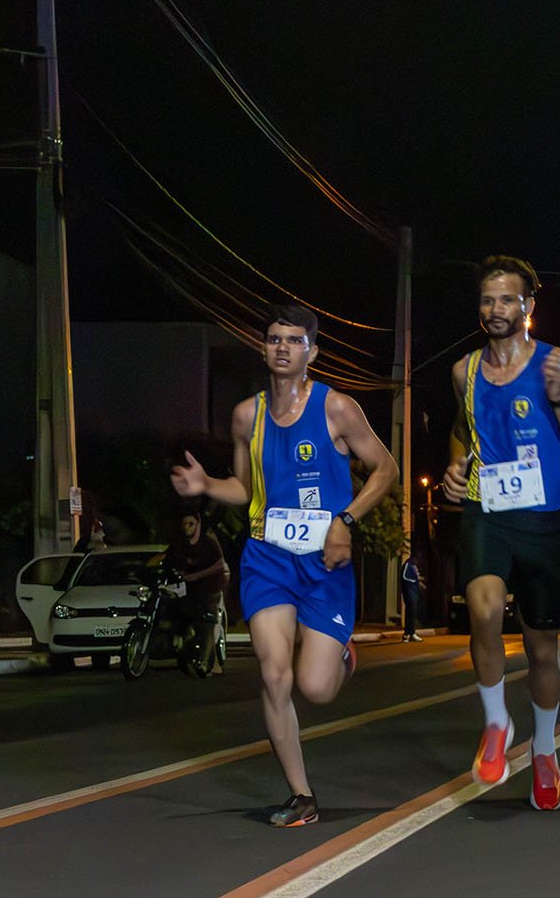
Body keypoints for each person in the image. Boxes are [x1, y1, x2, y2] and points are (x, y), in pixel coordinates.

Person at [171, 301, 398, 826]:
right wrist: (206, 485)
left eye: (295, 340)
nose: (283, 347)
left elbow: (385, 469)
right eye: (275, 338)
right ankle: (301, 796)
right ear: (263, 347)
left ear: (311, 353)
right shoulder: (246, 417)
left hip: (325, 562)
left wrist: (346, 520)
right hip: (268, 558)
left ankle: (340, 658)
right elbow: (246, 488)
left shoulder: (336, 408)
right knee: (275, 674)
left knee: (315, 687)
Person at [441, 256, 560, 810]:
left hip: (543, 520)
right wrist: (455, 467)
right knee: (482, 609)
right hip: (487, 511)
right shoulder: (463, 371)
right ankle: (495, 723)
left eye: (507, 299)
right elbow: (462, 432)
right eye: (488, 300)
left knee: (541, 649)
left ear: (528, 305)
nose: (496, 309)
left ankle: (546, 751)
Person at [163, 508, 229, 671]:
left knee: (207, 623)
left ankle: (205, 664)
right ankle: (198, 655)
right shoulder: (179, 543)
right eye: (185, 524)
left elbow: (220, 563)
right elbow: (168, 561)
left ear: (198, 524)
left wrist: (197, 575)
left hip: (211, 587)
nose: (187, 528)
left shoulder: (208, 541)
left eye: (191, 524)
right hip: (190, 589)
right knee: (185, 616)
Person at [400, 549, 423, 641]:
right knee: (410, 613)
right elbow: (405, 577)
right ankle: (407, 633)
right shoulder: (407, 565)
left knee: (412, 613)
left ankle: (411, 633)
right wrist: (415, 581)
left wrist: (418, 582)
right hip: (409, 593)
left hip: (413, 592)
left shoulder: (412, 566)